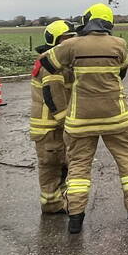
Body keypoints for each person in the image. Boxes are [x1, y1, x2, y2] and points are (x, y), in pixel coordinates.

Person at [40, 3, 128, 234]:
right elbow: (122, 73)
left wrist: (71, 64)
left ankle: (76, 216)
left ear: (88, 20)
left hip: (81, 119)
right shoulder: (120, 44)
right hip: (116, 116)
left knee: (79, 166)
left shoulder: (71, 45)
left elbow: (47, 63)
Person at [29, 19, 76, 214]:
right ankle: (51, 203)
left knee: (63, 163)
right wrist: (67, 123)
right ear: (56, 41)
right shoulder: (51, 64)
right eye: (67, 39)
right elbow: (54, 96)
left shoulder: (60, 61)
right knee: (51, 165)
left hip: (54, 125)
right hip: (50, 127)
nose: (71, 43)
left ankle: (59, 200)